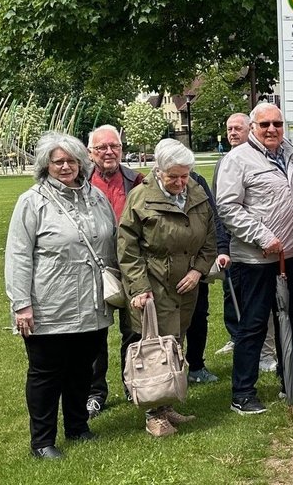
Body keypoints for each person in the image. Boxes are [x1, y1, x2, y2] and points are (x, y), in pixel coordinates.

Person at [6, 132, 116, 459]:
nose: (66, 166)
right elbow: (19, 256)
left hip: (93, 303)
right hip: (50, 304)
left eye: (71, 160)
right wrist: (21, 304)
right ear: (46, 165)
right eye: (58, 161)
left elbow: (109, 244)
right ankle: (42, 441)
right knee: (46, 374)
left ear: (82, 162)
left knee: (82, 369)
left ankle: (78, 427)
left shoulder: (96, 197)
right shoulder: (32, 201)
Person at [216, 103, 293, 415]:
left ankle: (292, 381)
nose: (271, 129)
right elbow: (227, 207)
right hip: (256, 258)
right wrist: (263, 237)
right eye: (264, 124)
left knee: (292, 317)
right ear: (253, 127)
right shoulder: (237, 160)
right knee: (252, 324)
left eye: (277, 124)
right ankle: (243, 393)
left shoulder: (290, 154)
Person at [118, 138, 217, 437]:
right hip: (154, 284)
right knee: (154, 347)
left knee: (176, 344)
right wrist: (139, 287)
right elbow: (127, 248)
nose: (179, 182)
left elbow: (210, 239)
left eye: (184, 175)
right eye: (172, 176)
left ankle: (167, 403)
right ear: (158, 171)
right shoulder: (139, 199)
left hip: (186, 285)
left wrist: (199, 271)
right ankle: (153, 412)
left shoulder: (196, 193)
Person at [84, 125, 144, 418]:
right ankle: (95, 392)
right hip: (93, 266)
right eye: (102, 147)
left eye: (115, 147)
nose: (109, 152)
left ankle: (132, 383)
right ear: (90, 152)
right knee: (95, 333)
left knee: (133, 329)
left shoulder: (136, 180)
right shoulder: (81, 181)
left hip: (131, 265)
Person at [184, 168, 231, 384]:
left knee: (198, 314)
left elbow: (213, 218)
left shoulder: (196, 181)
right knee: (168, 323)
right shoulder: (147, 188)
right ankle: (167, 371)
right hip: (163, 268)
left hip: (196, 263)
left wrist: (221, 249)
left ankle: (195, 366)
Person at [213, 113, 250, 356]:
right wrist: (221, 245)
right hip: (229, 237)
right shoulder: (223, 162)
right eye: (229, 129)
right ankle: (235, 336)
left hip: (254, 238)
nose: (232, 133)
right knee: (231, 289)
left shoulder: (256, 159)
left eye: (238, 128)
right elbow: (219, 206)